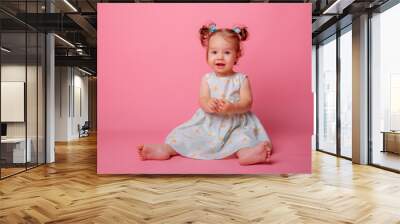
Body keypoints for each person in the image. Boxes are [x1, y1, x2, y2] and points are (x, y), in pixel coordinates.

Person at [137, 23, 272, 165]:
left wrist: (232, 107)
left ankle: (247, 154)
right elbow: (203, 99)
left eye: (227, 52)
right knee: (185, 134)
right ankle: (165, 149)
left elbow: (247, 103)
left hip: (235, 124)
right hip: (208, 123)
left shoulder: (241, 79)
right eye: (214, 52)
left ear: (237, 55)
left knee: (242, 138)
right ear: (207, 54)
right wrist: (208, 104)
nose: (220, 57)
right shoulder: (207, 79)